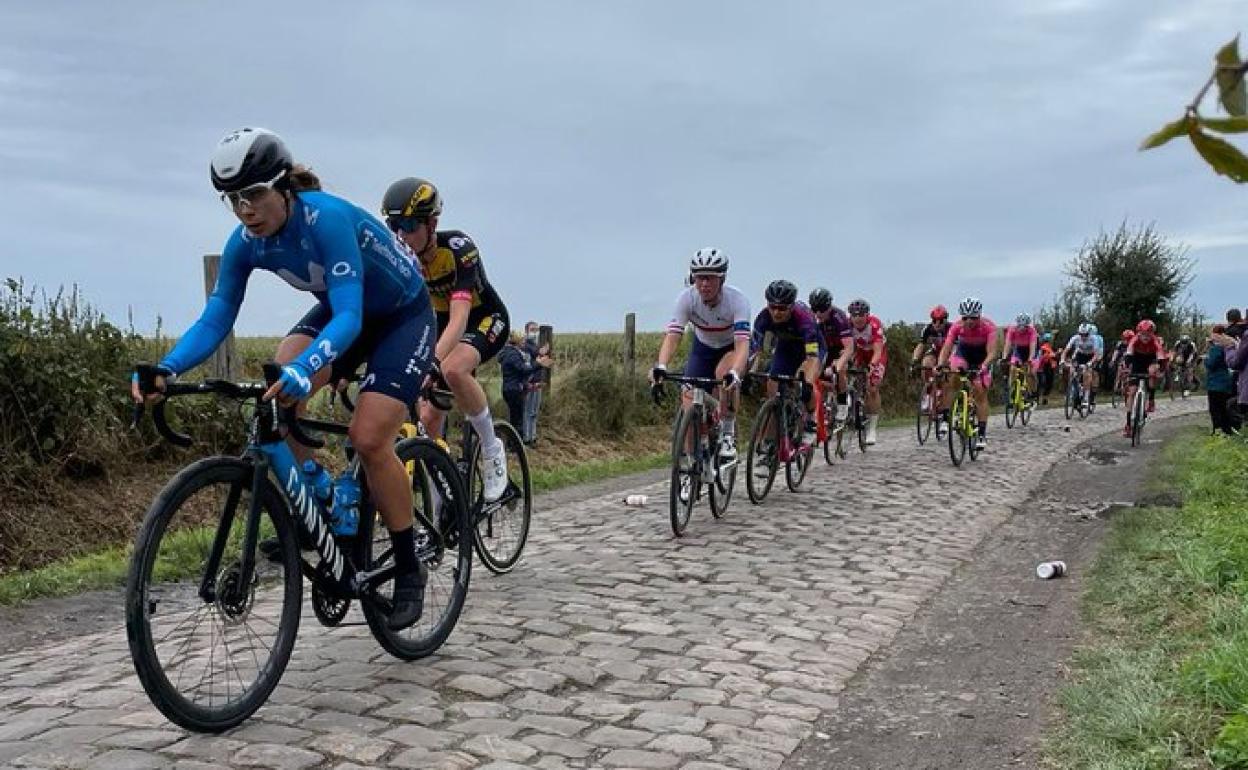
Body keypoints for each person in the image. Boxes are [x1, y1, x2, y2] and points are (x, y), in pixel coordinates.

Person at [131, 128, 435, 630]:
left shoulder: (326, 219)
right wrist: (167, 367)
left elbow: (351, 317)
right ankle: (318, 500)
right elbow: (216, 317)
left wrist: (306, 370)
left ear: (284, 189)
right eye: (232, 199)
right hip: (345, 311)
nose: (245, 210)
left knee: (368, 436)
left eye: (254, 195)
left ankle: (408, 567)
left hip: (401, 315)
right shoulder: (245, 244)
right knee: (280, 375)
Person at [381, 177, 512, 502]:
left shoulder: (457, 249)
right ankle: (442, 505)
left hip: (482, 318)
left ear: (432, 222)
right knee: (427, 419)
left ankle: (492, 448)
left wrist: (433, 361)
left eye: (410, 225)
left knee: (453, 369)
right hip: (439, 325)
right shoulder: (400, 257)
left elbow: (459, 316)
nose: (402, 235)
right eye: (394, 225)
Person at [652, 248, 751, 461]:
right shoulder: (687, 299)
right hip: (702, 349)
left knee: (724, 373)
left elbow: (742, 345)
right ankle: (692, 463)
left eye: (710, 278)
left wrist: (735, 372)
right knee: (688, 401)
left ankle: (727, 432)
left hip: (729, 348)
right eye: (699, 278)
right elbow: (673, 336)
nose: (704, 284)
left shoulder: (737, 301)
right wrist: (661, 366)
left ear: (721, 279)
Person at [750, 280, 823, 446]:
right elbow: (755, 350)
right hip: (786, 348)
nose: (776, 312)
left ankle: (811, 421)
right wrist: (748, 372)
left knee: (805, 381)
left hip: (810, 350)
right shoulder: (763, 318)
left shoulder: (804, 318)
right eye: (772, 307)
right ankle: (769, 443)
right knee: (772, 385)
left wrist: (807, 382)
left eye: (782, 308)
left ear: (791, 306)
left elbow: (812, 356)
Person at [936, 297, 998, 450]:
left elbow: (992, 352)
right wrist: (940, 364)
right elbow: (947, 348)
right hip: (963, 353)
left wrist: (983, 366)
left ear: (979, 315)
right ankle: (946, 416)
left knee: (979, 390)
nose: (969, 321)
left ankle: (981, 433)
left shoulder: (989, 327)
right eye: (965, 318)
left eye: (973, 318)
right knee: (952, 376)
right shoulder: (957, 326)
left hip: (983, 357)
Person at [843, 298, 887, 445]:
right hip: (859, 352)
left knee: (872, 387)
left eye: (861, 315)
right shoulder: (847, 325)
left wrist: (872, 365)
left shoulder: (874, 324)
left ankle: (872, 429)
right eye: (854, 315)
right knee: (846, 372)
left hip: (875, 353)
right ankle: (851, 401)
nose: (857, 319)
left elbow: (878, 350)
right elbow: (844, 347)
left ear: (867, 315)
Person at [808, 287, 852, 420]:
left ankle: (843, 403)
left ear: (829, 306)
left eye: (822, 309)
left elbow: (849, 348)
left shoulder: (839, 317)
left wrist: (836, 366)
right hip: (823, 348)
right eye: (815, 309)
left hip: (840, 349)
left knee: (840, 370)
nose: (818, 313)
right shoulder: (811, 317)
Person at [1121, 319, 1166, 436]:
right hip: (1137, 361)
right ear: (1138, 333)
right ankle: (1128, 424)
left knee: (1152, 372)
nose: (1145, 337)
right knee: (1132, 392)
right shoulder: (1134, 340)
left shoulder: (1155, 342)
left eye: (1148, 335)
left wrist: (1160, 370)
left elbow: (1161, 358)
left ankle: (1151, 399)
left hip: (1150, 360)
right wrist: (1126, 367)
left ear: (1152, 334)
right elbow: (1129, 355)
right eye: (1143, 335)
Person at [499, 330, 551, 432]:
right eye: (522, 340)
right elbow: (523, 370)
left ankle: (513, 442)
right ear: (517, 341)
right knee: (517, 420)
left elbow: (518, 373)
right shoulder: (512, 354)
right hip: (513, 389)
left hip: (511, 388)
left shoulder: (509, 352)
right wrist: (539, 364)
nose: (524, 342)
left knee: (515, 418)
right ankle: (516, 444)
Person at [912, 305, 951, 412]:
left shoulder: (951, 328)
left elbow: (956, 348)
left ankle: (943, 396)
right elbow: (921, 345)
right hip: (935, 351)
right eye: (934, 320)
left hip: (949, 353)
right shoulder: (928, 329)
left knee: (946, 374)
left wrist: (949, 363)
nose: (937, 324)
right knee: (926, 363)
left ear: (946, 320)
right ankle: (928, 393)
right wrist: (915, 360)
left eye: (941, 321)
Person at [1062, 322, 1103, 409]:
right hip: (1080, 355)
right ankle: (1072, 391)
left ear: (1089, 333)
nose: (1083, 337)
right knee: (1072, 370)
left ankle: (1086, 398)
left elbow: (1096, 354)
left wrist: (1090, 363)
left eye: (1086, 335)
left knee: (1087, 374)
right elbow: (1066, 350)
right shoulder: (1075, 338)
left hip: (1090, 356)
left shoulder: (1094, 339)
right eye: (1081, 335)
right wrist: (1062, 360)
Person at [1000, 312, 1039, 401]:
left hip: (1031, 350)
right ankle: (1012, 392)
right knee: (1013, 369)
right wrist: (1004, 357)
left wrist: (1030, 359)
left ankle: (1033, 392)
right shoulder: (1012, 330)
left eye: (1024, 327)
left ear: (1027, 326)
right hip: (1019, 351)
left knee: (1031, 372)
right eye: (1020, 326)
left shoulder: (1032, 331)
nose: (1022, 329)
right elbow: (1007, 345)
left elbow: (1032, 347)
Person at [1206, 324, 1236, 435]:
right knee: (1224, 408)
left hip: (1215, 383)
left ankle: (1218, 430)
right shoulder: (1229, 345)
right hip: (1226, 381)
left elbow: (1211, 364)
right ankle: (1227, 429)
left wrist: (1206, 359)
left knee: (1215, 408)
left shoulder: (1216, 348)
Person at [521, 321, 548, 445]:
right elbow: (531, 360)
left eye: (536, 330)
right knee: (528, 411)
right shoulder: (526, 346)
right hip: (530, 383)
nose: (535, 333)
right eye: (532, 330)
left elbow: (545, 360)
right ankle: (527, 438)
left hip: (538, 382)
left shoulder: (535, 346)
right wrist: (540, 354)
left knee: (534, 412)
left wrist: (541, 354)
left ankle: (533, 436)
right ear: (526, 331)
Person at [1036, 332, 1058, 404]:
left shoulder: (1049, 347)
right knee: (1044, 383)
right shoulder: (1045, 348)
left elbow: (1053, 357)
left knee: (1046, 383)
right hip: (1044, 367)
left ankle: (1043, 398)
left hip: (1048, 367)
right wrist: (1055, 354)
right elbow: (1046, 357)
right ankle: (1040, 398)